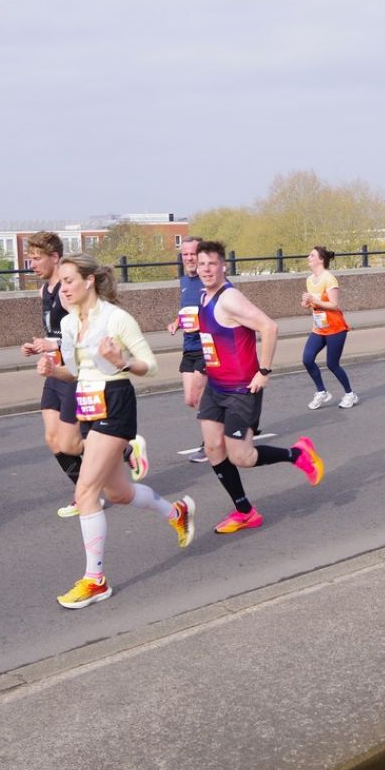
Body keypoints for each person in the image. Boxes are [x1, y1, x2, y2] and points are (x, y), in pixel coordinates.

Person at [35, 253, 195, 608]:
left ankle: (95, 580)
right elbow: (75, 373)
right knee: (120, 493)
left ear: (89, 280)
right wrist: (52, 370)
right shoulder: (70, 323)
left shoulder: (116, 318)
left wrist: (121, 361)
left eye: (70, 281)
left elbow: (150, 366)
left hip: (116, 401)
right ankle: (177, 513)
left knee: (86, 492)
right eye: (62, 283)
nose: (64, 289)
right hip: (87, 403)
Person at [193, 240, 324, 533]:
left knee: (242, 456)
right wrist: (205, 365)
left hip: (241, 389)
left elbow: (269, 327)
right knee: (213, 447)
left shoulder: (229, 298)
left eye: (212, 263)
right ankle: (245, 512)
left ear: (223, 266)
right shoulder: (203, 297)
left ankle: (298, 454)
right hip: (216, 386)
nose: (206, 269)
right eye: (202, 264)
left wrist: (263, 371)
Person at [19, 232, 88, 518]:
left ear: (55, 257)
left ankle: (120, 446)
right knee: (52, 439)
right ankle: (84, 494)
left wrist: (54, 344)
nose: (32, 265)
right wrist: (38, 345)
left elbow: (83, 333)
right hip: (53, 370)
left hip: (72, 371)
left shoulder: (66, 291)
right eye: (30, 259)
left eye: (37, 259)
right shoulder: (43, 292)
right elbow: (54, 332)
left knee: (71, 443)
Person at [166, 236, 210, 462]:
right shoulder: (184, 281)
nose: (189, 258)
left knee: (199, 396)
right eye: (185, 254)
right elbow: (187, 309)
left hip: (207, 347)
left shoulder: (209, 279)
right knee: (190, 399)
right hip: (189, 346)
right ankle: (229, 420)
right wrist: (177, 322)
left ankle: (210, 444)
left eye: (193, 253)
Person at [301, 245, 358, 409]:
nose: (308, 258)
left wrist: (314, 299)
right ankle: (322, 392)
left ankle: (350, 394)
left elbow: (333, 304)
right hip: (319, 327)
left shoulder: (329, 279)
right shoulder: (309, 280)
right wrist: (307, 302)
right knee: (307, 359)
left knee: (332, 364)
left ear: (321, 260)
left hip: (335, 327)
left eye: (312, 255)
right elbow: (315, 303)